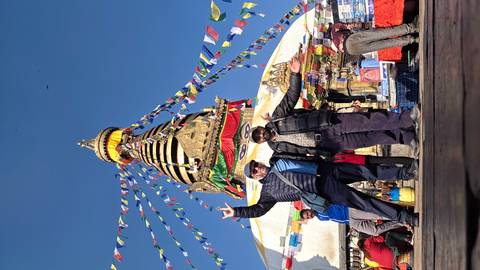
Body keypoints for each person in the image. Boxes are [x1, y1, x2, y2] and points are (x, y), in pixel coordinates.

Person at [251, 56, 419, 156]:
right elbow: (298, 156)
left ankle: (407, 117)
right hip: (327, 143)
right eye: (258, 138)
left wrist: (295, 74)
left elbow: (291, 96)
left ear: (260, 127)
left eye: (257, 132)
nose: (261, 135)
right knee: (368, 139)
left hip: (328, 124)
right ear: (260, 142)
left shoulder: (277, 118)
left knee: (367, 121)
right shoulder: (277, 148)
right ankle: (405, 137)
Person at [219, 159, 419, 227]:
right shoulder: (268, 193)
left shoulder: (276, 161)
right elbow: (258, 210)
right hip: (322, 189)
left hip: (325, 170)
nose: (258, 169)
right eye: (254, 171)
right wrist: (237, 212)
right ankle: (404, 217)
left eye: (256, 165)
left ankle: (406, 171)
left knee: (367, 171)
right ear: (255, 178)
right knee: (364, 202)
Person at [300, 208, 407, 236]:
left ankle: (403, 215)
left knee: (378, 215)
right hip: (350, 222)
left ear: (308, 209)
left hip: (350, 211)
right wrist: (349, 226)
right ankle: (402, 222)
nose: (309, 216)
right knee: (374, 231)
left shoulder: (317, 206)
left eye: (307, 214)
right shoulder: (320, 218)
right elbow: (335, 219)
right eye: (308, 217)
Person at [331, 22, 418, 55]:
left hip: (351, 52)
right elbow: (348, 25)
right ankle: (410, 28)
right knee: (381, 34)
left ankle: (411, 40)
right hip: (350, 41)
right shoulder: (334, 29)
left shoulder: (335, 45)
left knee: (385, 44)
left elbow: (341, 50)